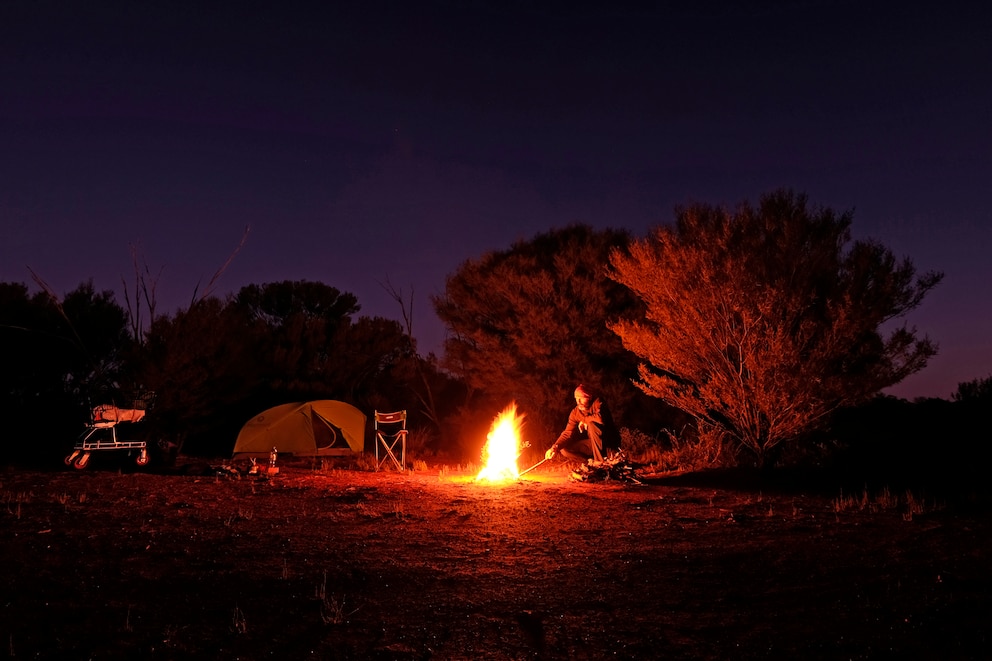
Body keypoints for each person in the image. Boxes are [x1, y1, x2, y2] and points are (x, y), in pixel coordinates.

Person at [545, 384, 621, 464]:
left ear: (589, 397)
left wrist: (585, 420)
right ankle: (589, 464)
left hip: (609, 443)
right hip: (593, 445)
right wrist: (554, 447)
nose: (578, 402)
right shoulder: (575, 413)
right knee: (564, 449)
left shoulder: (598, 402)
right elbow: (567, 434)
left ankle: (600, 464)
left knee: (592, 424)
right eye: (576, 399)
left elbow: (600, 418)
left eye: (581, 398)